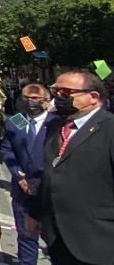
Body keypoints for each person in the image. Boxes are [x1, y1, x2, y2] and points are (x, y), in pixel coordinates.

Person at [31, 70, 114, 265]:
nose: (58, 97)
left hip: (100, 241)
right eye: (55, 91)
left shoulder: (109, 129)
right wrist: (35, 213)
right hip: (58, 238)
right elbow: (48, 174)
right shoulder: (56, 128)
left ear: (93, 97)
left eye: (66, 93)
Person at [0, 82, 53, 265]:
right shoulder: (16, 121)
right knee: (25, 235)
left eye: (35, 98)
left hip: (49, 189)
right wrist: (17, 174)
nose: (30, 102)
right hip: (22, 189)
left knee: (53, 235)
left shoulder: (56, 122)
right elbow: (7, 149)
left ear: (46, 100)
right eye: (26, 98)